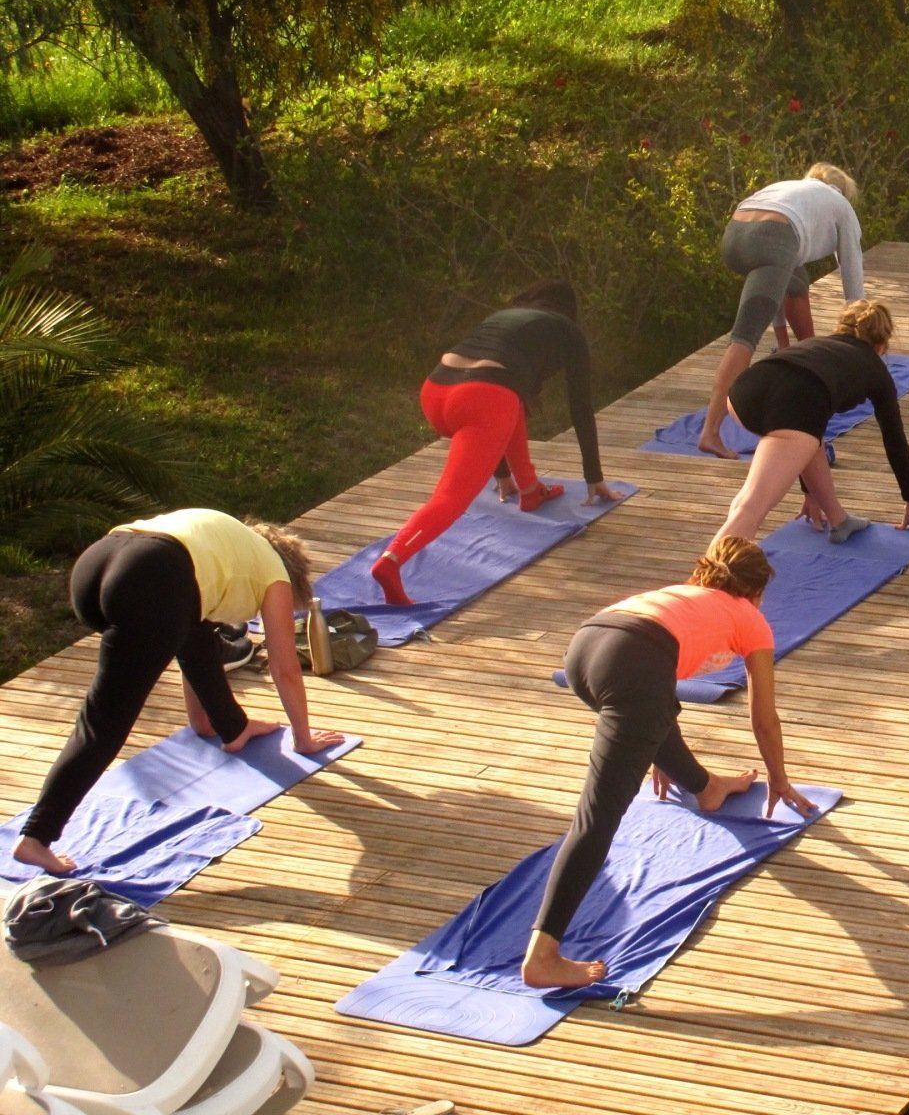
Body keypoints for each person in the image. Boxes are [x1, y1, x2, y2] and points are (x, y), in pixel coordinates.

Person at [521, 537, 816, 989]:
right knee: (596, 817)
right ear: (756, 592)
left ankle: (706, 787)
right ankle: (543, 957)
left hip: (585, 647)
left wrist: (654, 739)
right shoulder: (750, 619)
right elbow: (763, 718)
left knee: (651, 713)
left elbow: (660, 668)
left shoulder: (683, 595)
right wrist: (778, 777)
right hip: (632, 666)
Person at [11, 509, 346, 876]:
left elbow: (192, 638)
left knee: (190, 625)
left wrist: (215, 725)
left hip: (98, 564)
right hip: (147, 577)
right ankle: (36, 837)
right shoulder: (275, 574)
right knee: (103, 722)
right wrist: (302, 738)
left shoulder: (225, 547)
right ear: (294, 573)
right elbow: (285, 668)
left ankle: (232, 726)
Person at [372, 279, 617, 606]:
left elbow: (500, 383)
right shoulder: (568, 332)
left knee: (511, 401)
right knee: (450, 499)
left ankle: (529, 490)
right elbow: (581, 408)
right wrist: (593, 477)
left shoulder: (508, 316)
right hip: (481, 399)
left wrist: (503, 476)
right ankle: (391, 561)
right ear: (569, 312)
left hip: (435, 390)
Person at [716, 300, 909, 542]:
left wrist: (809, 493)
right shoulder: (877, 371)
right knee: (750, 508)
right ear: (881, 345)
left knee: (811, 439)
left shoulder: (817, 345)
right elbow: (894, 439)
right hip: (790, 407)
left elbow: (803, 416)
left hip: (743, 393)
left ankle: (838, 519)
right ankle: (708, 577)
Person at [698, 164, 865, 460]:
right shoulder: (840, 205)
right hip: (773, 238)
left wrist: (782, 340)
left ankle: (806, 353)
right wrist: (859, 337)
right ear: (842, 190)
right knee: (743, 339)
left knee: (795, 282)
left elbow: (781, 279)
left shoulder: (793, 191)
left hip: (735, 233)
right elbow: (852, 273)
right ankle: (710, 433)